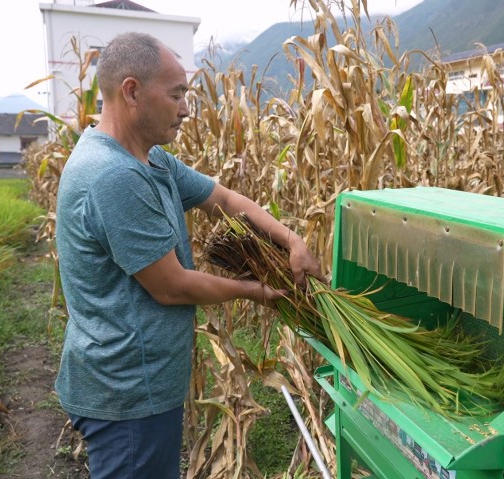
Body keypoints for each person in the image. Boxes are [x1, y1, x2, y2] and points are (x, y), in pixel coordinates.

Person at [54, 32, 321, 478]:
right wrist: (256, 292)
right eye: (176, 94)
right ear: (132, 91)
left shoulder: (148, 158)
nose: (185, 109)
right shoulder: (113, 176)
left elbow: (224, 199)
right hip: (128, 392)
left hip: (138, 383)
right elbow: (172, 287)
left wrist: (292, 240)